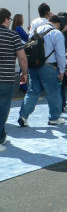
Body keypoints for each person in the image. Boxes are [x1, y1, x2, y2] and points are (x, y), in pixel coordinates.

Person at [19, 15, 67, 126]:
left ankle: (23, 116)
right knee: (54, 93)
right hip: (49, 67)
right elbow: (60, 54)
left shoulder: (35, 31)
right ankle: (54, 118)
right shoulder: (57, 33)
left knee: (33, 91)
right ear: (58, 24)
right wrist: (62, 71)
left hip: (33, 66)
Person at [0, 8, 28, 152]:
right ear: (5, 19)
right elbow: (22, 57)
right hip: (5, 78)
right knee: (3, 108)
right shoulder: (12, 35)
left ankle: (2, 136)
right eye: (9, 19)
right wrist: (25, 73)